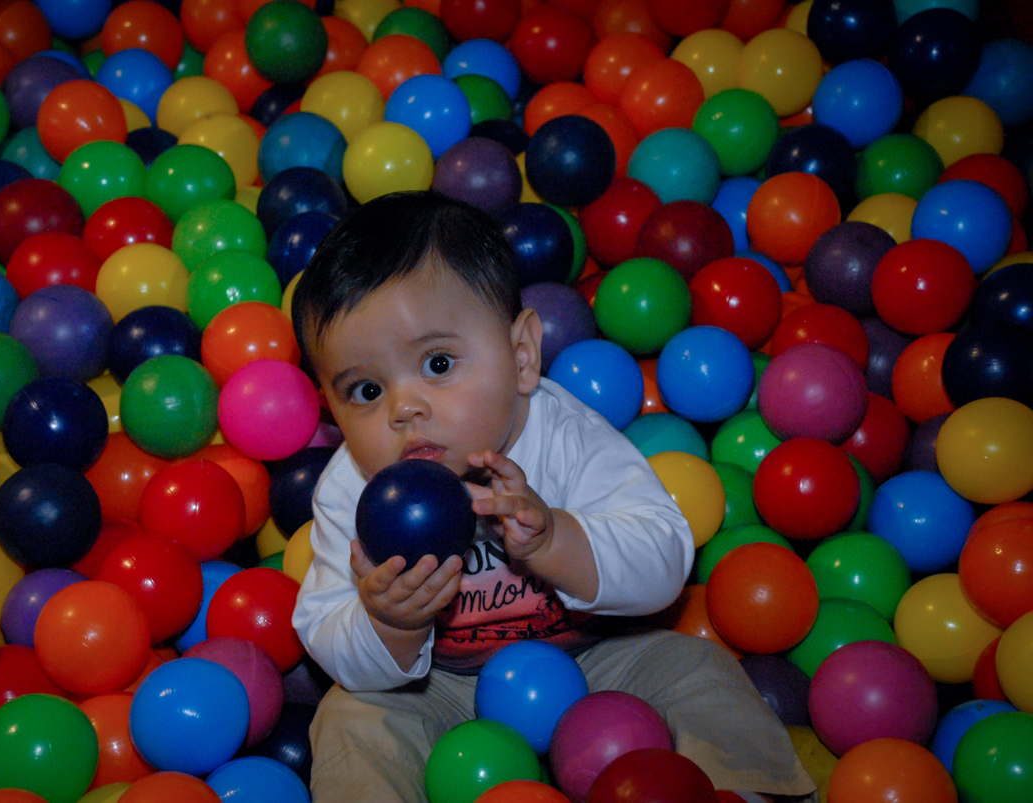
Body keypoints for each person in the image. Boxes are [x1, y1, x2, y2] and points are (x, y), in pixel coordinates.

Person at [289, 191, 817, 803]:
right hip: (439, 686)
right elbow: (326, 633)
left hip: (599, 659)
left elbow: (664, 561)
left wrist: (555, 538)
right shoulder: (350, 489)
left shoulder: (568, 435)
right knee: (350, 717)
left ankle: (753, 792)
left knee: (697, 668)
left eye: (437, 363)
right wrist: (388, 623)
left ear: (520, 356)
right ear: (330, 406)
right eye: (365, 390)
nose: (403, 408)